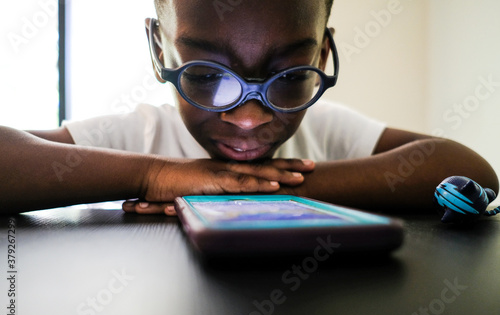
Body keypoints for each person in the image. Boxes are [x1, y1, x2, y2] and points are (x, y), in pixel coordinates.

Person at [0, 0, 497, 215]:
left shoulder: (326, 134)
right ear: (160, 51)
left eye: (290, 78)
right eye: (209, 76)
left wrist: (252, 193)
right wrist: (157, 176)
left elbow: (470, 172)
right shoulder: (137, 140)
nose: (248, 117)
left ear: (321, 55)